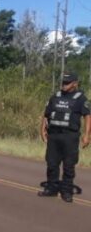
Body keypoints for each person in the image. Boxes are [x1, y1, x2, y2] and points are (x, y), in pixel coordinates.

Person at [39, 72, 91, 202]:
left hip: (70, 136)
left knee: (69, 165)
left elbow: (87, 117)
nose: (64, 85)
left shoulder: (81, 99)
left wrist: (87, 135)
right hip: (54, 135)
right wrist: (42, 130)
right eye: (63, 82)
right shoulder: (55, 97)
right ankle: (51, 188)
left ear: (75, 83)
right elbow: (46, 115)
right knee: (51, 164)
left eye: (67, 82)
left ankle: (67, 192)